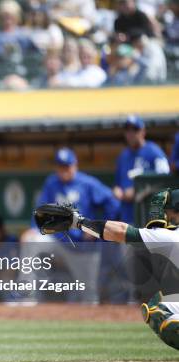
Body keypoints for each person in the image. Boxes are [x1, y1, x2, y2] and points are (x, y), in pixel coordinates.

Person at [34, 188, 179, 350]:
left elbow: (119, 232)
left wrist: (78, 222)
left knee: (158, 310)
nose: (169, 217)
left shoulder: (172, 237)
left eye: (171, 213)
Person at [22, 147, 120, 303]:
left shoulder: (87, 183)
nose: (63, 170)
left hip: (83, 245)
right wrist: (33, 230)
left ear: (75, 165)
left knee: (89, 296)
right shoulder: (52, 183)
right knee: (31, 241)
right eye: (60, 166)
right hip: (58, 241)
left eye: (67, 166)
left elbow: (114, 205)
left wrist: (97, 227)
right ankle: (27, 297)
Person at [114, 115, 170, 223]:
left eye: (135, 129)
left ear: (143, 131)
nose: (131, 134)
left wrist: (139, 190)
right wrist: (117, 191)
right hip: (128, 215)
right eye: (128, 130)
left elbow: (166, 180)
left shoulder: (154, 152)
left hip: (150, 215)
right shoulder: (123, 156)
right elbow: (118, 184)